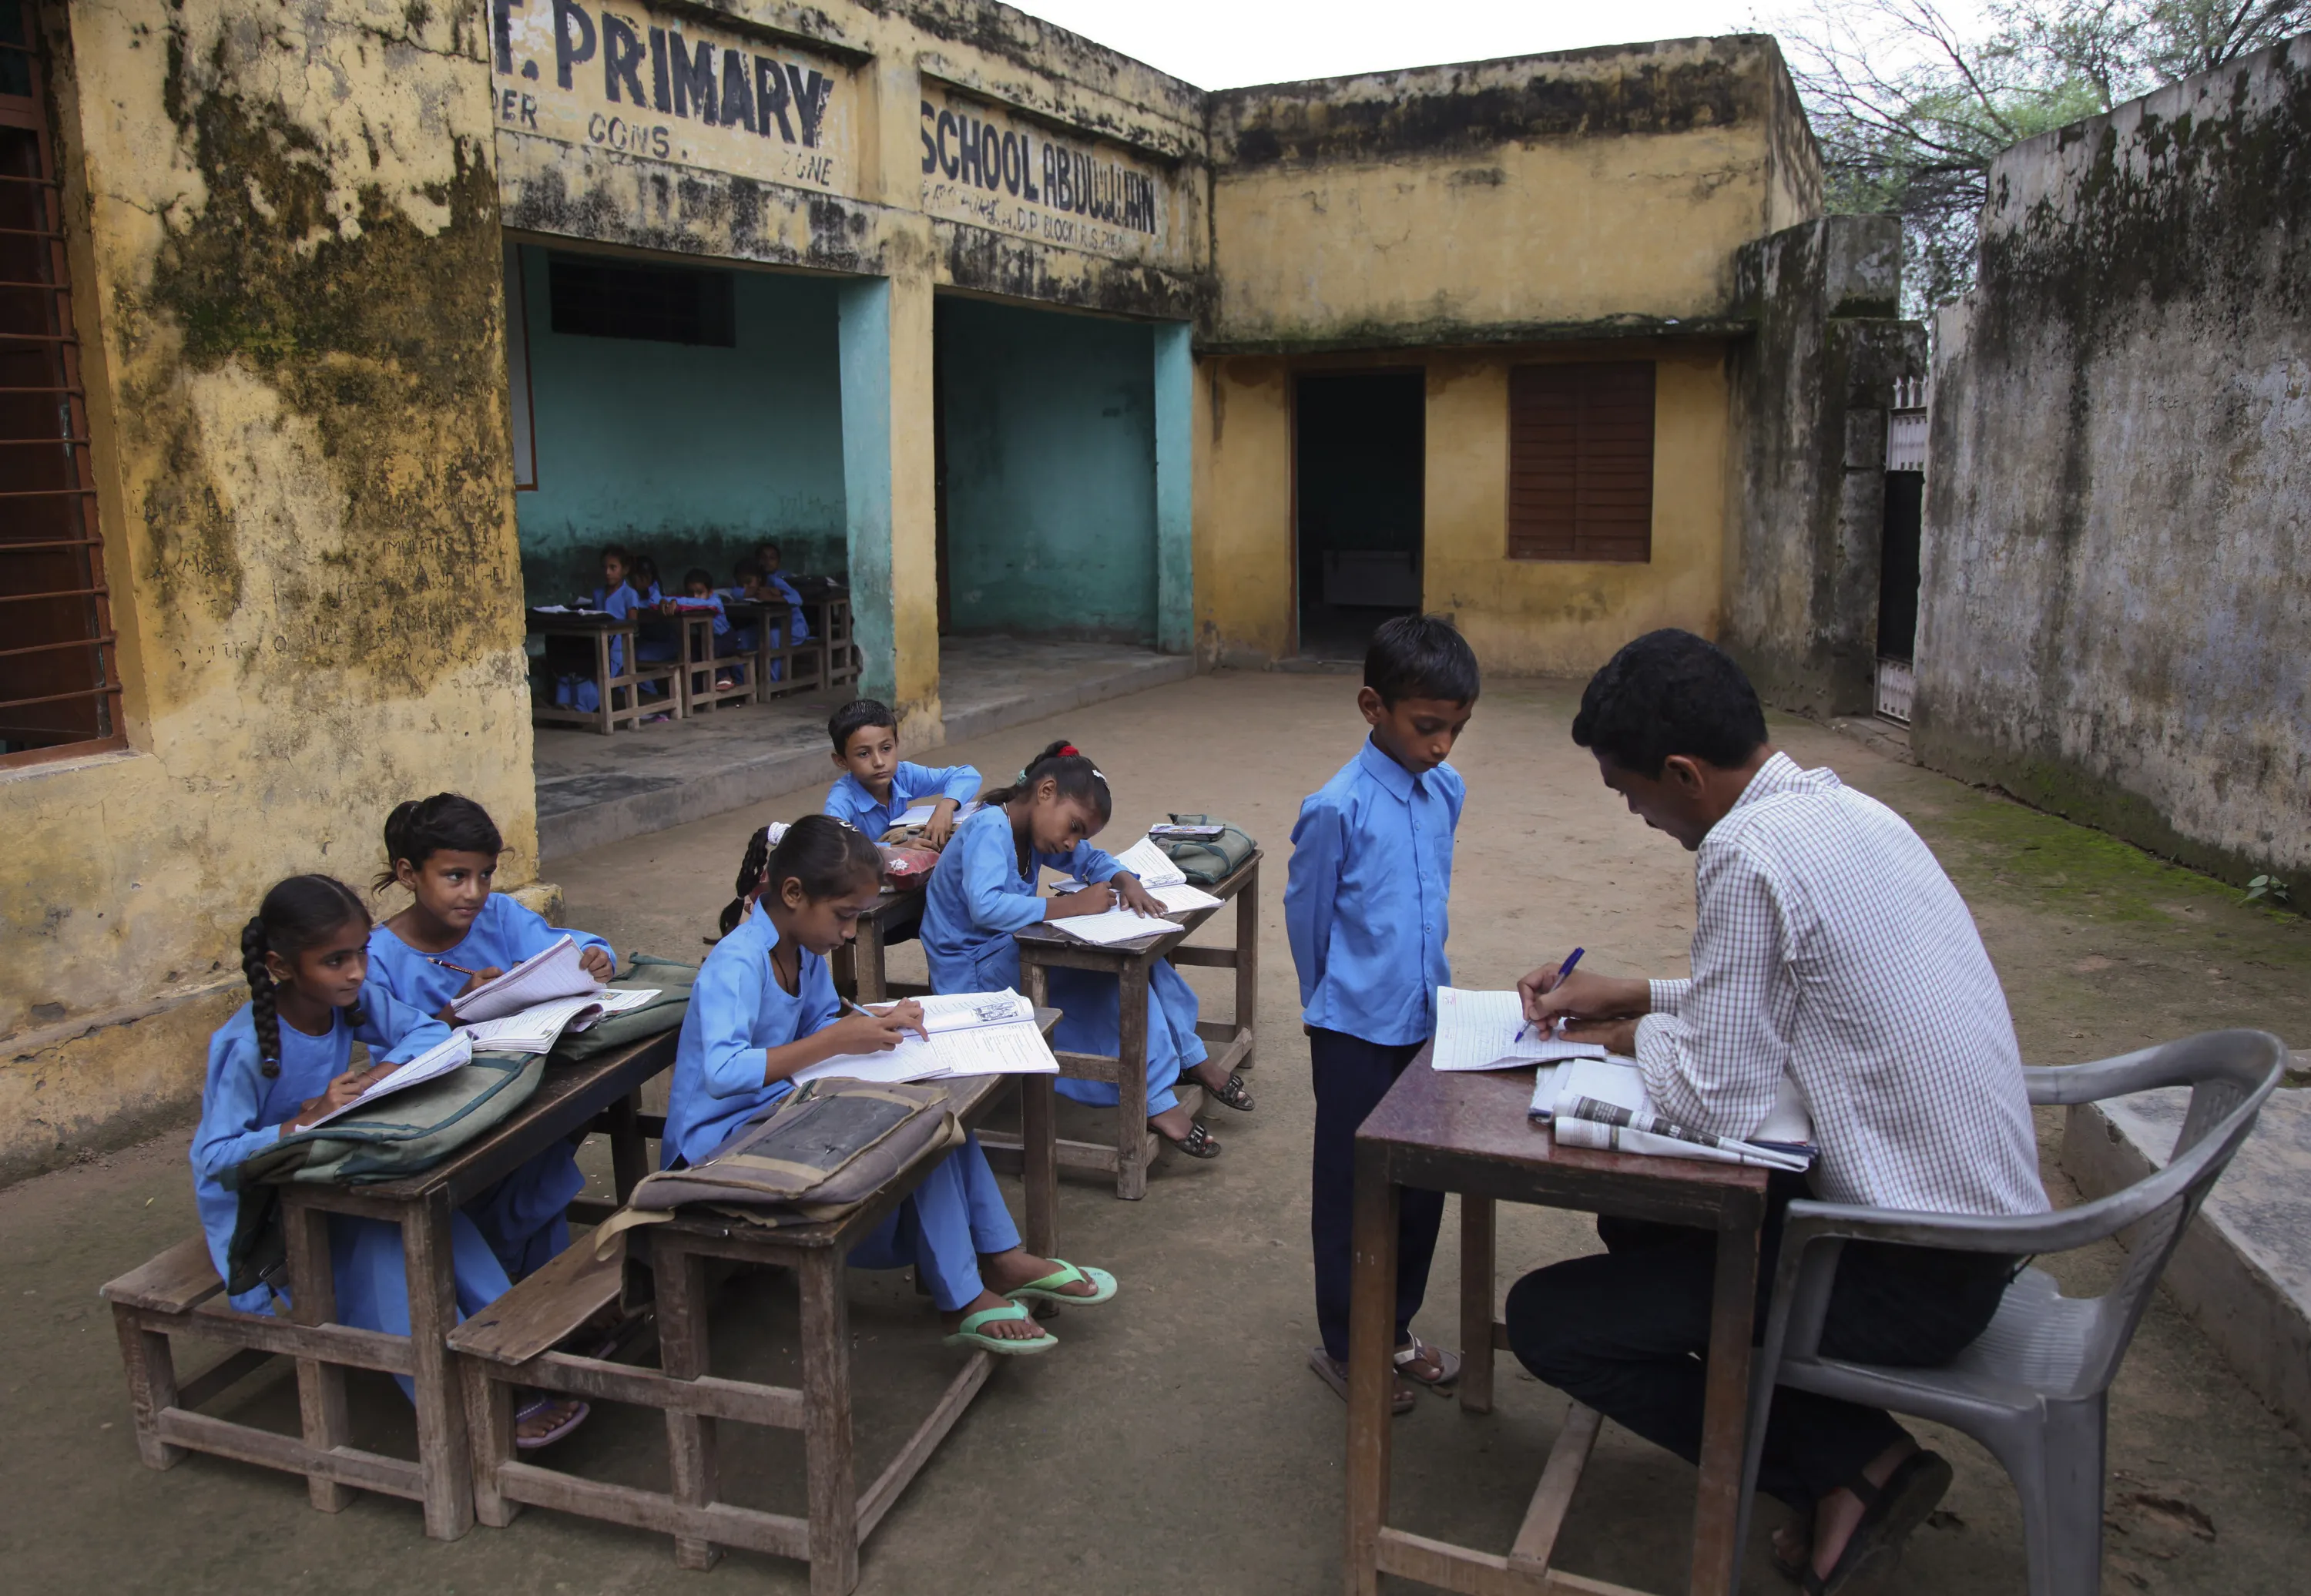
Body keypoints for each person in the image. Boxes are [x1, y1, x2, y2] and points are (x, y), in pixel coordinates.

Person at [1504, 629, 2046, 1596]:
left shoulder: (1744, 851)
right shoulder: (1848, 810)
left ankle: (1848, 1467)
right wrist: (1634, 992)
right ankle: (1846, 1451)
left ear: (1684, 772)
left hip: (1909, 1276)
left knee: (1552, 1320)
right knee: (1642, 1219)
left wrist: (1632, 1035)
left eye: (1631, 792)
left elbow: (1715, 1095)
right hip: (1976, 1236)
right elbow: (1791, 990)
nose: (1637, 815)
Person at [666, 815, 1117, 1351]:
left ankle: (1001, 1256)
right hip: (719, 1145)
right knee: (914, 1132)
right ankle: (961, 1297)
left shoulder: (801, 948)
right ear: (793, 894)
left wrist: (874, 1019)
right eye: (844, 916)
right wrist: (838, 1039)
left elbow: (818, 1023)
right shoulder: (737, 962)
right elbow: (724, 1073)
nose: (849, 932)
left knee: (940, 1108)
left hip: (778, 1108)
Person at [194, 874, 586, 1446]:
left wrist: (376, 1077)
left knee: (437, 1219)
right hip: (267, 1209)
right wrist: (300, 1122)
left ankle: (514, 1354)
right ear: (280, 966)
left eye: (360, 953)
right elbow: (213, 1158)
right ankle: (457, 1403)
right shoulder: (245, 1045)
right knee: (386, 1242)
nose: (356, 971)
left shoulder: (349, 1000)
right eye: (335, 960)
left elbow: (428, 1033)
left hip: (330, 1171)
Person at [1284, 613, 1479, 1411]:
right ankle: (1347, 1344)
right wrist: (1329, 1003)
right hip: (1353, 1031)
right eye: (1427, 726)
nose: (1443, 746)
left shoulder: (1446, 791)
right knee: (1353, 1188)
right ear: (1374, 706)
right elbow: (1308, 917)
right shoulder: (1337, 807)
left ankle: (1393, 1328)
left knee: (1423, 1182)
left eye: (1456, 728)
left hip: (1426, 1022)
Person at [919, 739, 1253, 1157]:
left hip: (1005, 950)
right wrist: (1072, 906)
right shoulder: (990, 827)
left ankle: (1189, 1054)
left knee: (1147, 958)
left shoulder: (1033, 830)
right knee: (1109, 976)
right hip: (971, 972)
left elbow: (1090, 860)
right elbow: (985, 907)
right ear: (1046, 792)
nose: (1071, 843)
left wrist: (1124, 880)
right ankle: (1154, 1097)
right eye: (1074, 827)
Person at [365, 793, 613, 1282]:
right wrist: (453, 1013)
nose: (474, 892)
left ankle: (523, 1274)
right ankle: (518, 1277)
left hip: (518, 1084)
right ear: (408, 874)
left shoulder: (498, 915)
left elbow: (568, 945)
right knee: (531, 1156)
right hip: (438, 1108)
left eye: (485, 875)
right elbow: (393, 1059)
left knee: (558, 1119)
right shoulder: (377, 958)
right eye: (456, 876)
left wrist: (595, 955)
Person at [823, 698, 979, 847]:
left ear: (896, 743)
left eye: (886, 748)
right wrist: (893, 849)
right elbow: (834, 847)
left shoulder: (903, 775)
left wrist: (946, 807)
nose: (879, 762)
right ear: (841, 761)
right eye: (864, 754)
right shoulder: (841, 800)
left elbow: (967, 775)